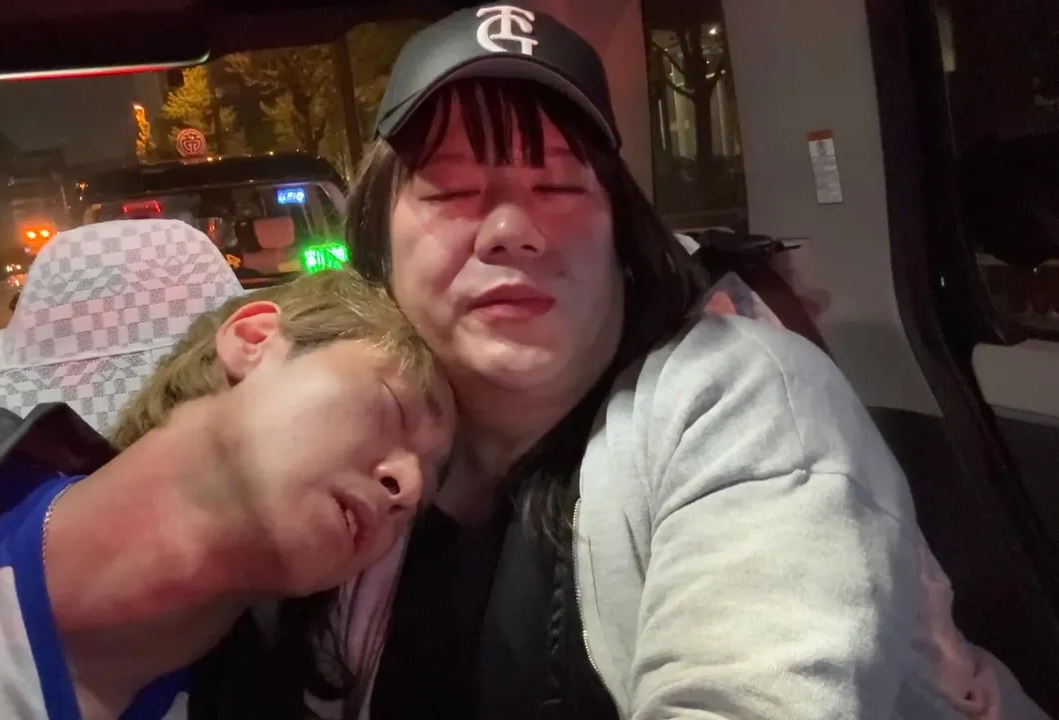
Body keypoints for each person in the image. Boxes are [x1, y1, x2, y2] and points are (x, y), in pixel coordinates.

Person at [289, 6, 1048, 719]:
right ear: (378, 243)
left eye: (558, 184)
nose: (513, 229)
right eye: (452, 190)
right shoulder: (339, 431)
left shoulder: (748, 399)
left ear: (620, 235)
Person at [0, 269, 453, 719]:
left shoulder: (263, 702)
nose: (410, 486)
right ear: (255, 340)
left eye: (429, 482)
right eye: (392, 408)